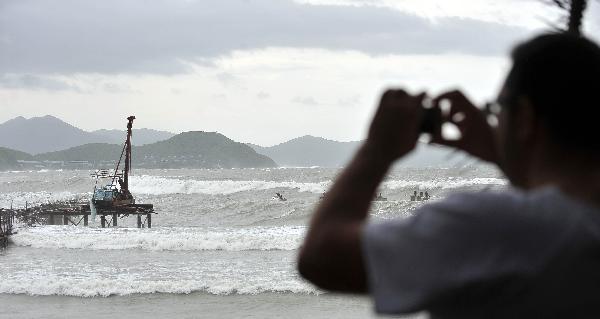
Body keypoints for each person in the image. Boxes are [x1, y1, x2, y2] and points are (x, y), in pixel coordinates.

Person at [297, 33, 600, 318]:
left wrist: (377, 149)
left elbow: (323, 257)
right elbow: (559, 206)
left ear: (523, 116)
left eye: (498, 109)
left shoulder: (490, 226)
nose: (495, 119)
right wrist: (500, 153)